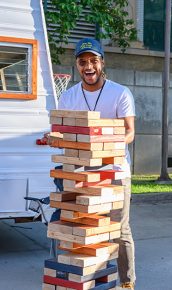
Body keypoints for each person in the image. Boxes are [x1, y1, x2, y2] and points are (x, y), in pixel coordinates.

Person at [57, 38, 136, 289]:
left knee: (119, 230)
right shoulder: (69, 97)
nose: (88, 66)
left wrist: (103, 149)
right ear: (77, 66)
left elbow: (130, 133)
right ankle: (89, 279)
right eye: (82, 62)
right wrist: (54, 138)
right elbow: (62, 133)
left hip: (115, 172)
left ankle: (126, 282)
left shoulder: (120, 93)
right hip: (80, 173)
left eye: (93, 60)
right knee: (84, 229)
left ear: (102, 62)